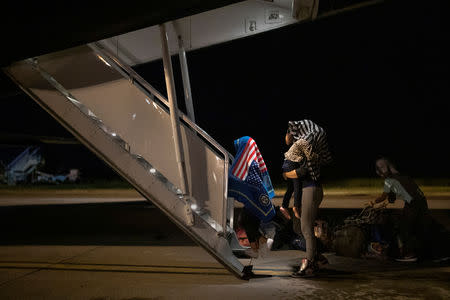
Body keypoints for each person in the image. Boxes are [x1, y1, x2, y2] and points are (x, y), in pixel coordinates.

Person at [282, 120, 332, 278]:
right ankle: (317, 257)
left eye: (289, 131)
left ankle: (310, 264)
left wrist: (285, 174)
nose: (287, 135)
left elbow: (302, 172)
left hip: (311, 189)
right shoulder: (306, 145)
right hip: (311, 190)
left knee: (306, 228)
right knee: (304, 227)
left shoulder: (305, 144)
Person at [369, 156, 431, 262]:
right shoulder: (403, 176)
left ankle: (408, 254)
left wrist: (372, 203)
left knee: (403, 227)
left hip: (413, 204)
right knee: (417, 226)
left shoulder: (389, 180)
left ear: (381, 171)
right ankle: (422, 251)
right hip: (423, 202)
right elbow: (392, 198)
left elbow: (384, 197)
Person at [228, 136, 276, 258]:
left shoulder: (249, 164)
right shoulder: (252, 161)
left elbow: (247, 181)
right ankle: (257, 249)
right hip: (255, 199)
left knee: (246, 221)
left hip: (255, 199)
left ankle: (263, 243)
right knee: (248, 223)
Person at [280, 132, 304, 220]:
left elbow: (287, 140)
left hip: (286, 163)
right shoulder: (299, 137)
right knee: (298, 186)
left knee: (290, 188)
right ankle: (296, 207)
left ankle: (284, 206)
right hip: (292, 163)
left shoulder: (293, 141)